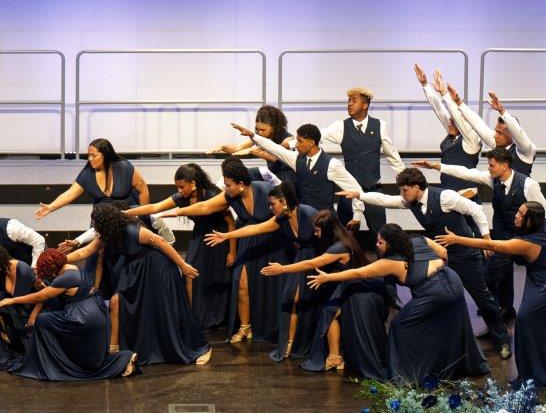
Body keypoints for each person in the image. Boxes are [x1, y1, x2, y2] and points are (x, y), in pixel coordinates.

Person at [344, 166, 511, 360]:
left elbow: (475, 209)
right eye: (401, 190)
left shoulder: (445, 197)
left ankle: (502, 340)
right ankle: (442, 341)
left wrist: (486, 238)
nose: (402, 193)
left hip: (464, 255)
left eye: (404, 189)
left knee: (482, 298)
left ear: (417, 187)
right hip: (439, 256)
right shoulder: (410, 201)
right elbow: (386, 200)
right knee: (437, 296)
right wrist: (360, 195)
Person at [439, 202, 546, 388]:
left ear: (531, 220)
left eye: (521, 214)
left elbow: (490, 244)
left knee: (526, 320)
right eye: (518, 211)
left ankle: (538, 374)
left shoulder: (524, 243)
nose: (516, 215)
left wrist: (457, 239)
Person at [310, 223, 489, 381]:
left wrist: (328, 277)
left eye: (380, 242)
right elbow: (443, 252)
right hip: (453, 281)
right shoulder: (420, 240)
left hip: (434, 292)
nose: (377, 245)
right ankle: (444, 361)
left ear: (390, 243)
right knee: (443, 323)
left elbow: (358, 273)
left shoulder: (390, 262)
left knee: (399, 325)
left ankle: (406, 373)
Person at [158, 156, 287, 344]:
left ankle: (273, 327)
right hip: (248, 240)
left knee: (271, 285)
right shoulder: (229, 196)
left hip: (270, 241)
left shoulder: (264, 190)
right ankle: (245, 327)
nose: (225, 188)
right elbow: (204, 206)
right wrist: (177, 211)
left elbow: (283, 213)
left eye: (228, 185)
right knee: (240, 281)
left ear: (240, 184)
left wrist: (228, 240)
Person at [67, 204, 209, 366]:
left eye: (96, 223)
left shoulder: (132, 230)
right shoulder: (108, 235)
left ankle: (197, 347)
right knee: (118, 302)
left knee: (165, 309)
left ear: (106, 223)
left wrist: (182, 265)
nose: (94, 227)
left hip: (155, 268)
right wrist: (61, 259)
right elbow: (85, 251)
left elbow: (161, 242)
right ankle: (117, 349)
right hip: (134, 270)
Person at [423, 148, 546, 321]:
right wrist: (437, 166)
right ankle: (501, 310)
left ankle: (534, 313)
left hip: (526, 240)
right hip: (504, 239)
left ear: (505, 166)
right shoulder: (493, 179)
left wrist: (545, 242)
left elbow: (544, 214)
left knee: (536, 277)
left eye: (492, 165)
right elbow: (466, 173)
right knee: (491, 274)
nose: (489, 168)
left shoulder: (528, 185)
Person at [261, 210, 387, 377]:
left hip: (357, 286)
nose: (315, 234)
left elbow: (313, 263)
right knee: (328, 310)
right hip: (349, 283)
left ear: (327, 230)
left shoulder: (339, 246)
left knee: (329, 312)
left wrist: (282, 269)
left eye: (317, 231)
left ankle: (335, 357)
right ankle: (335, 356)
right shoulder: (343, 237)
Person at [205, 182, 321, 361]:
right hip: (302, 259)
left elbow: (328, 236)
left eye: (272, 204)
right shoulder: (281, 219)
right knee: (291, 298)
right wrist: (226, 236)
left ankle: (301, 343)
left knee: (299, 299)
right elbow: (255, 228)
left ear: (284, 202)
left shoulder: (309, 213)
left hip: (319, 259)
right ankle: (291, 343)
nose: (269, 208)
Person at [125, 162, 234, 331]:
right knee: (189, 272)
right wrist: (125, 213)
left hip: (220, 236)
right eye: (177, 187)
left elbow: (231, 222)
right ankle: (192, 317)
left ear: (193, 183)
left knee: (217, 277)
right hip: (200, 235)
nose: (179, 190)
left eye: (182, 186)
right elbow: (154, 207)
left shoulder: (212, 194)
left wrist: (232, 252)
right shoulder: (181, 197)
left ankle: (218, 318)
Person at [36, 138, 150, 297]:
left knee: (123, 257)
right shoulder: (87, 174)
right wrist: (50, 207)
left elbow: (143, 189)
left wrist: (143, 218)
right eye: (88, 155)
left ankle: (124, 293)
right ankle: (94, 293)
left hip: (125, 218)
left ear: (105, 154)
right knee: (96, 255)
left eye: (94, 155)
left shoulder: (124, 167)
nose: (90, 159)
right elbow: (69, 194)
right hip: (102, 219)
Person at [6, 248, 139, 381]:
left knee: (42, 320)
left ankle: (125, 358)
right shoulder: (73, 268)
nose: (49, 274)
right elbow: (59, 293)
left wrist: (13, 300)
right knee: (87, 359)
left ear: (52, 266)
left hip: (82, 317)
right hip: (95, 313)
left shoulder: (64, 278)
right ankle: (125, 360)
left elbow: (40, 297)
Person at [318, 86, 406, 238]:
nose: (349, 104)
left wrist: (405, 181)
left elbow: (392, 155)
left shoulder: (379, 125)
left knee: (381, 235)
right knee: (344, 237)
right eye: (348, 101)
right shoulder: (341, 126)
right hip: (348, 193)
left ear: (365, 105)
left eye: (354, 101)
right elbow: (317, 135)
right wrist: (291, 143)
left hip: (373, 190)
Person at [235, 121, 366, 218]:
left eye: (300, 141)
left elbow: (354, 188)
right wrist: (253, 135)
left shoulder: (332, 164)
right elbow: (275, 148)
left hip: (325, 220)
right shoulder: (296, 159)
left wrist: (357, 216)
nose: (296, 144)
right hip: (304, 218)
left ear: (312, 143)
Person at [415, 64, 483, 192]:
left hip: (466, 194)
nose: (450, 123)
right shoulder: (453, 132)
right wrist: (425, 84)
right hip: (448, 192)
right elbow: (439, 109)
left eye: (454, 121)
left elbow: (456, 116)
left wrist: (444, 94)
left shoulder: (471, 139)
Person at [454, 90, 537, 177]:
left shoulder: (526, 151)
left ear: (511, 134)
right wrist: (459, 102)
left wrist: (502, 111)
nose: (495, 135)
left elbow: (518, 132)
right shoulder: (497, 145)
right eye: (496, 131)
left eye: (500, 133)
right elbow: (478, 124)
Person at [212, 104, 296, 184]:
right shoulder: (259, 137)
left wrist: (251, 151)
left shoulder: (288, 139)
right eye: (257, 129)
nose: (260, 132)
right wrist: (222, 147)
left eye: (263, 130)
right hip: (273, 176)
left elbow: (274, 158)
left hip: (288, 177)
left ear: (274, 127)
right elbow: (237, 148)